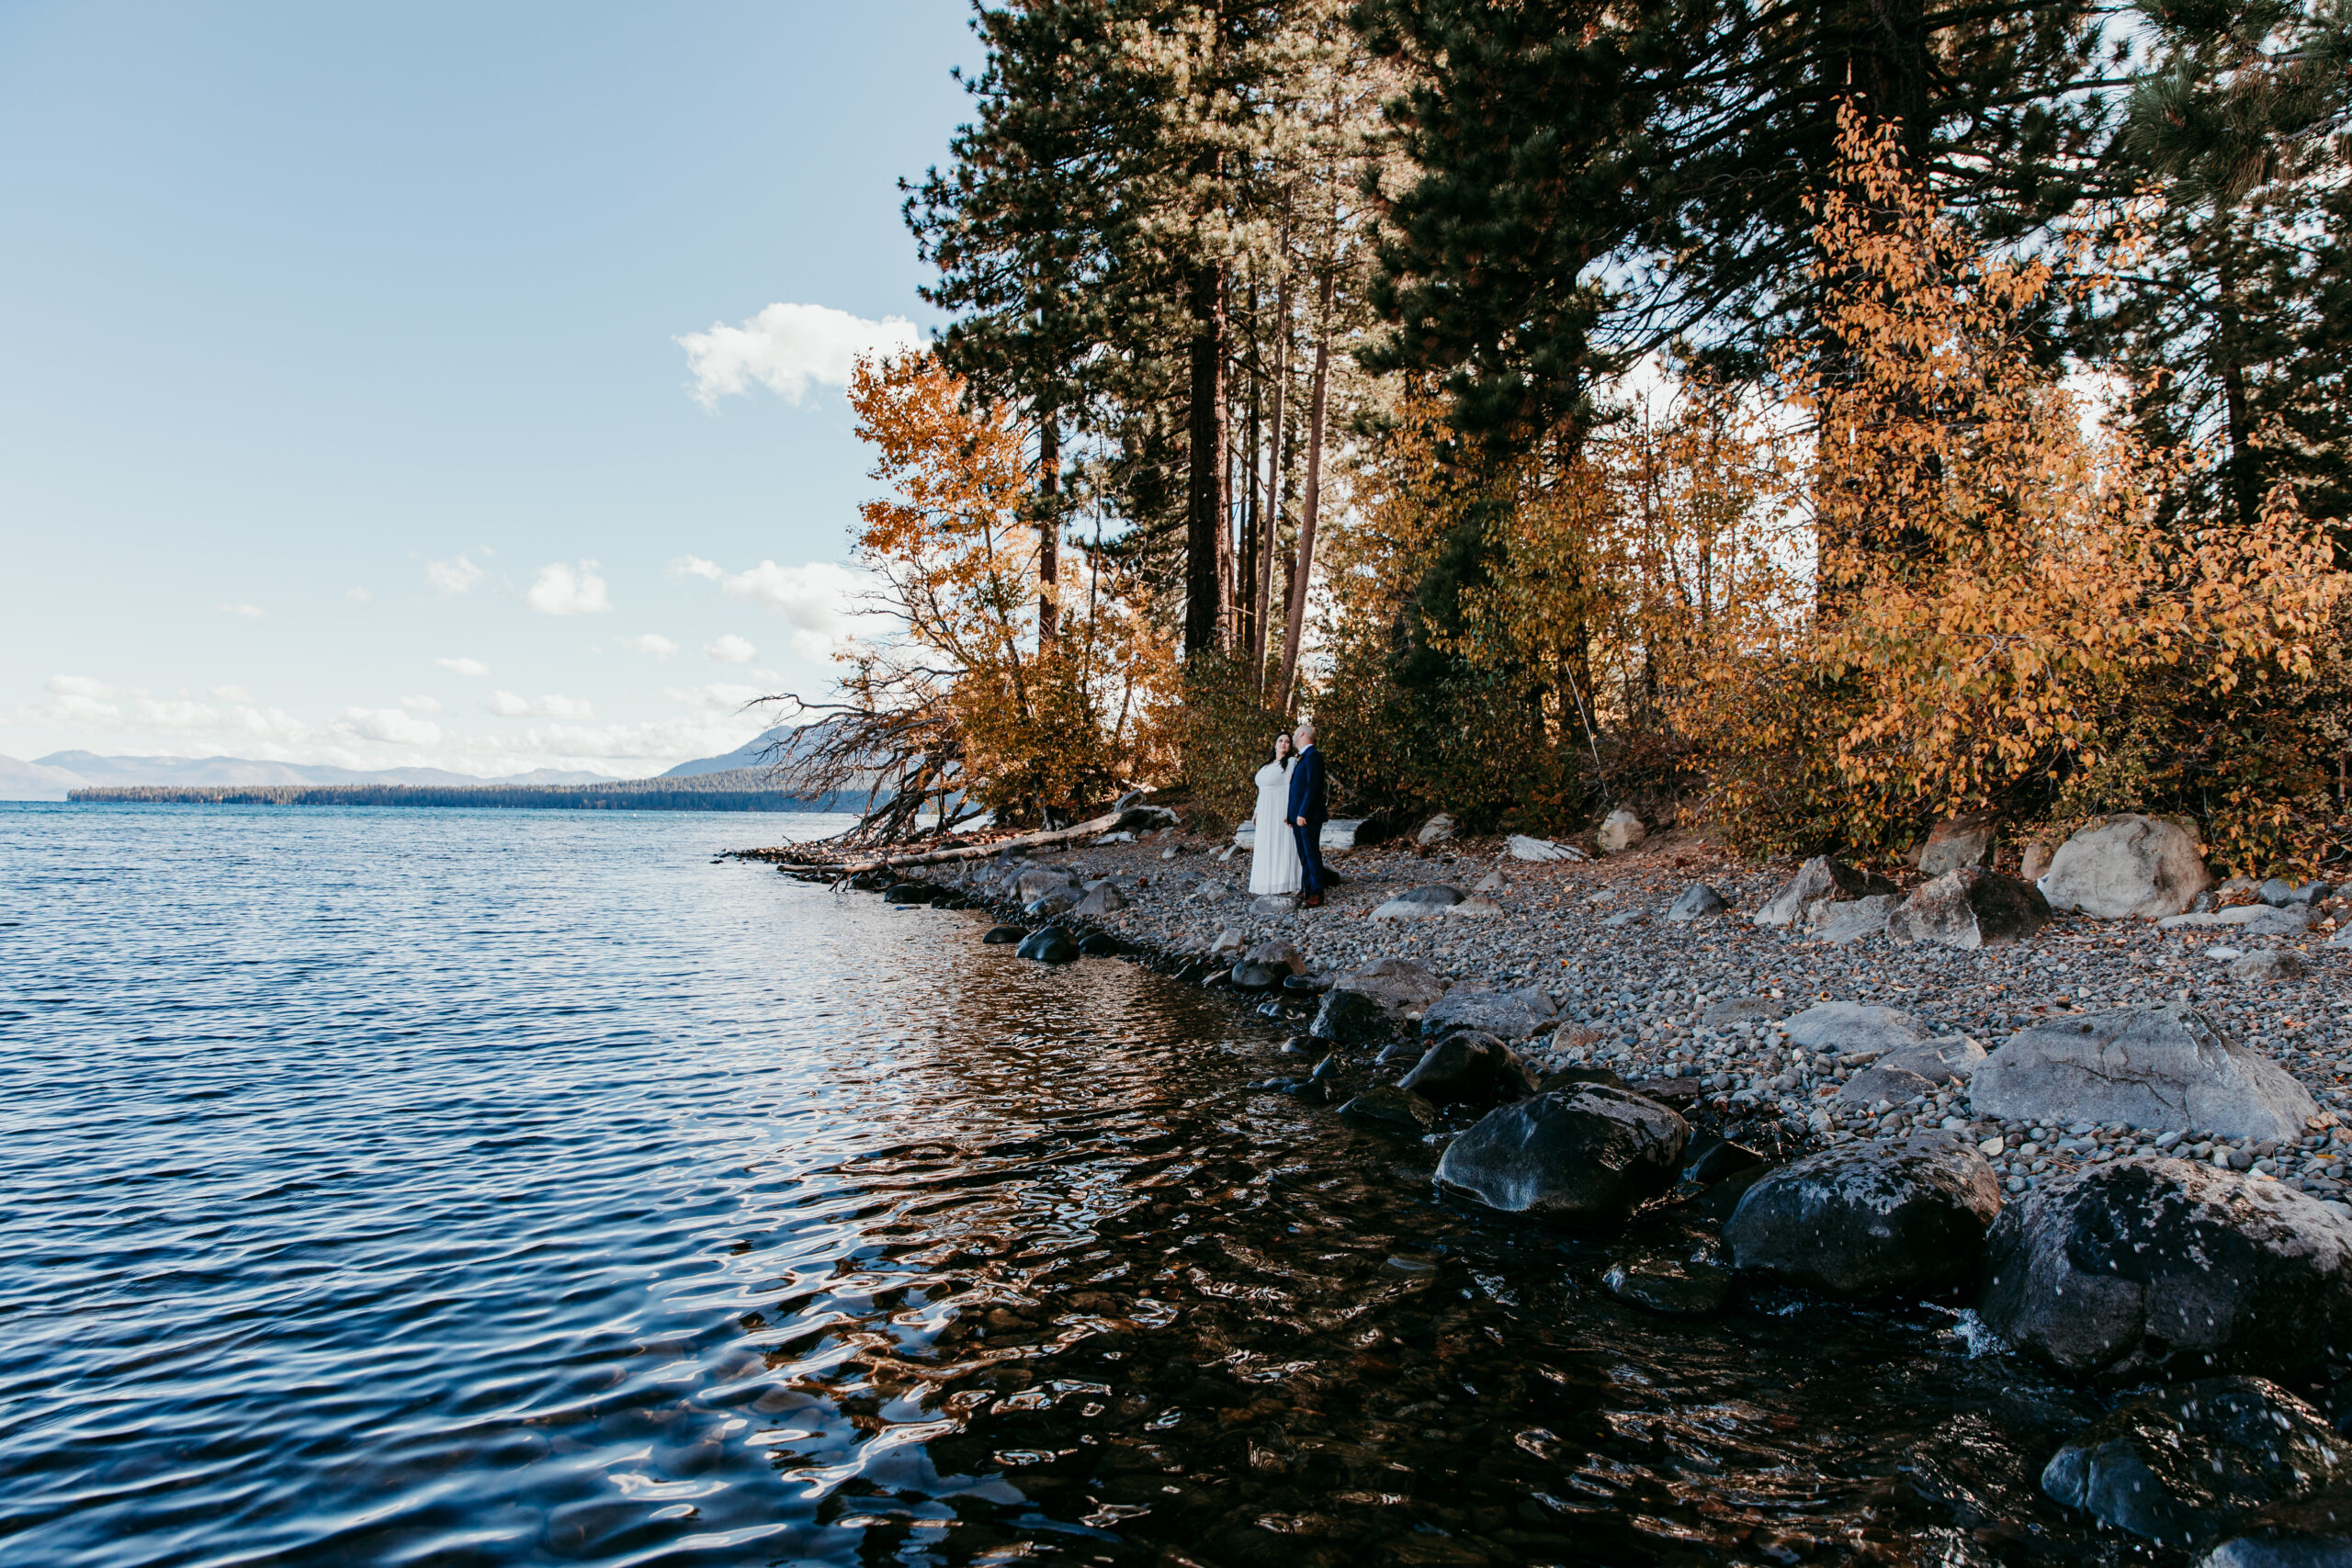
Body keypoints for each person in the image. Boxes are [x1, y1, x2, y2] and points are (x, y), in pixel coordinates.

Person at [1247, 733, 1304, 896]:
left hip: (1280, 808)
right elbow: (1262, 790)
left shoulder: (1291, 762)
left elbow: (1290, 788)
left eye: (1287, 742)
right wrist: (1256, 811)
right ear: (1275, 744)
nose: (1283, 744)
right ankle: (1267, 882)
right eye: (1280, 741)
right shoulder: (1267, 765)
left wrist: (1290, 811)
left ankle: (1285, 883)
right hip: (1265, 810)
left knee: (1281, 842)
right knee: (1266, 844)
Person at [1286, 720, 1329, 907]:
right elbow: (1297, 790)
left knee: (1311, 854)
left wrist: (1303, 813)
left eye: (1296, 733)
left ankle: (1317, 893)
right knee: (1303, 855)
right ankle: (1306, 889)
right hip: (1298, 816)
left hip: (1308, 816)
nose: (1294, 736)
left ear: (1303, 734)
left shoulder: (1313, 756)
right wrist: (1291, 815)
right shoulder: (1303, 757)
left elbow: (1313, 788)